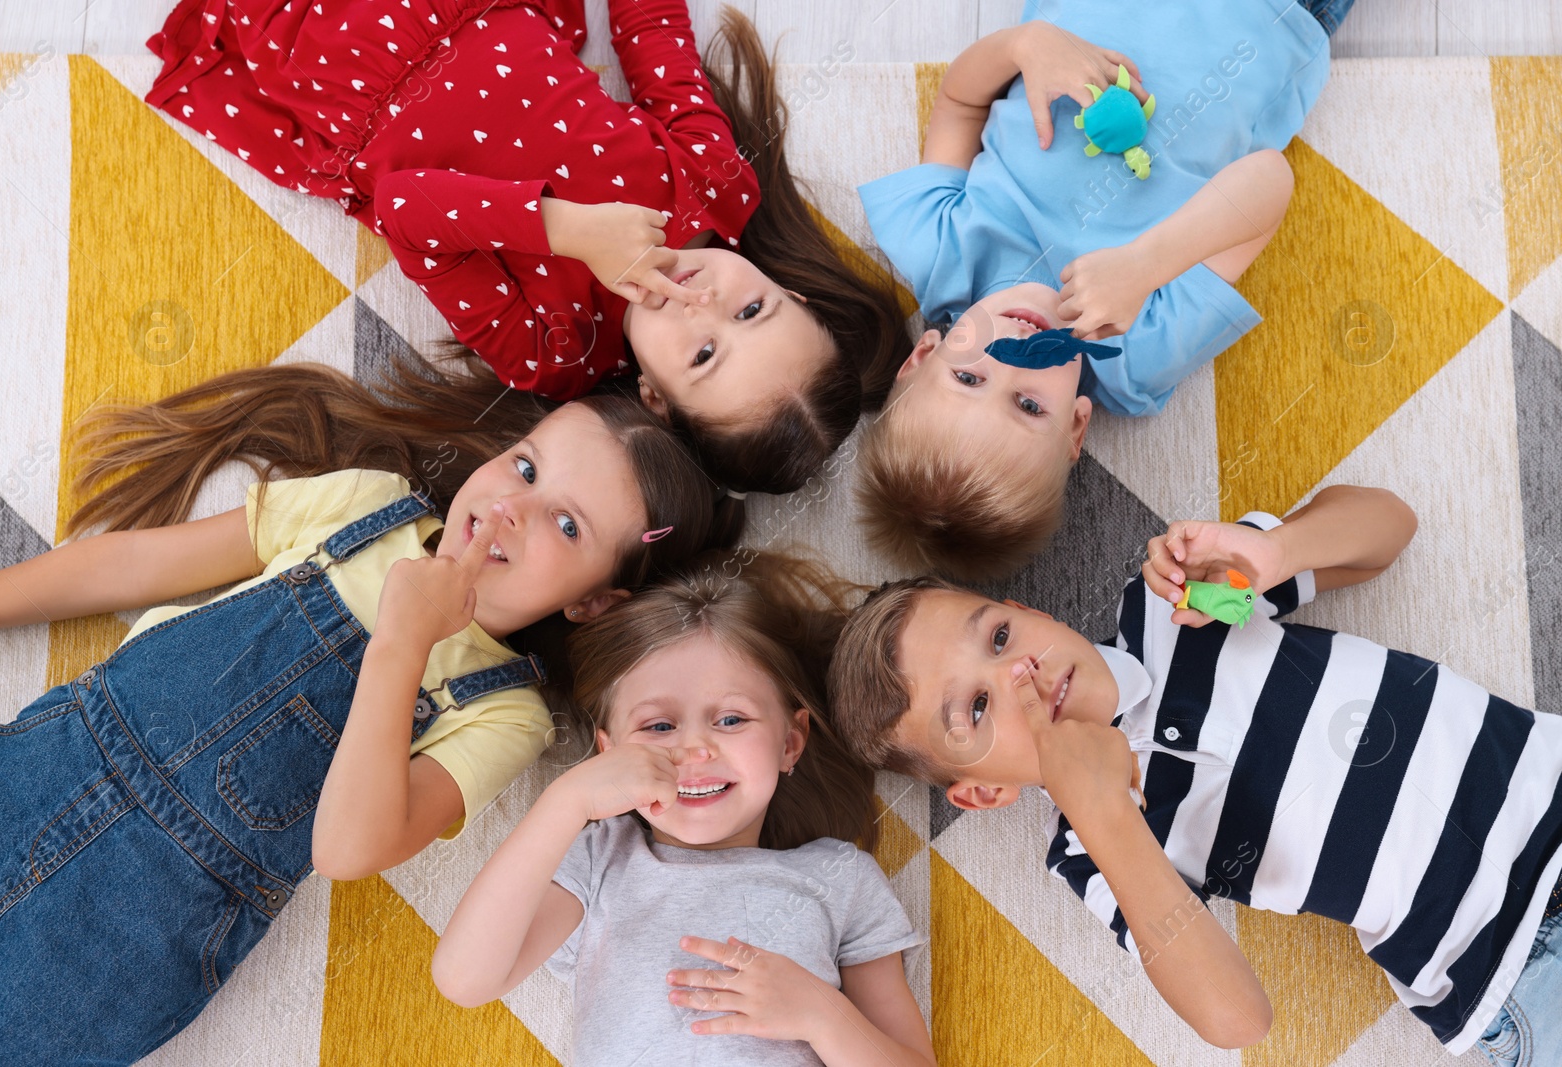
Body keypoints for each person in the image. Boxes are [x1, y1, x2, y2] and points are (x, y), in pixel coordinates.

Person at [0, 353, 736, 1065]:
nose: (510, 511)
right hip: (48, 759)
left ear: (595, 600)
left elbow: (346, 847)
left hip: (149, 924)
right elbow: (132, 565)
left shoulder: (505, 715)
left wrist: (401, 643)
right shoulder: (370, 508)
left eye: (567, 526)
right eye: (524, 467)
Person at [827, 483, 1562, 1062]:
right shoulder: (1093, 849)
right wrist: (1107, 815)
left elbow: (1390, 525)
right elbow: (1238, 1018)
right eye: (978, 706)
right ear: (983, 793)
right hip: (1503, 958)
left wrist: (1277, 550)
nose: (1019, 670)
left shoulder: (1173, 606)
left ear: (1025, 608)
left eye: (997, 635)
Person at [143, 0, 912, 493]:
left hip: (340, 69)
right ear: (791, 291)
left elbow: (404, 205)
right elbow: (652, 39)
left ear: (654, 397)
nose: (706, 303)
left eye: (704, 355)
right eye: (753, 309)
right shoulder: (714, 188)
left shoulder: (550, 350)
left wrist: (572, 229)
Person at [854, 0, 1348, 579]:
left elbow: (959, 103)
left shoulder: (937, 251)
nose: (1014, 355)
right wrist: (1146, 266)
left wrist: (1025, 45)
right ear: (1075, 426)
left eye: (969, 377)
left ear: (922, 356)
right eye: (1029, 405)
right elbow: (1270, 179)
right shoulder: (1135, 357)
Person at [434, 553, 936, 1066]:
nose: (694, 750)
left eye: (732, 719)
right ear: (609, 754)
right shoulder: (599, 861)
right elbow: (465, 979)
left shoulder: (840, 877)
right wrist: (568, 800)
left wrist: (822, 1013)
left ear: (790, 743)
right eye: (659, 727)